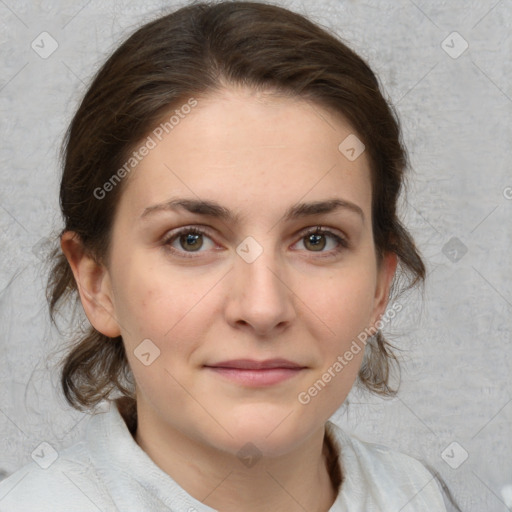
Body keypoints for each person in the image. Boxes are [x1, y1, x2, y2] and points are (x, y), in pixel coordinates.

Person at [0, 1, 459, 510]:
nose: (262, 308)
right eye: (191, 239)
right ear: (96, 282)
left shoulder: (419, 495)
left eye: (317, 239)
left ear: (379, 286)